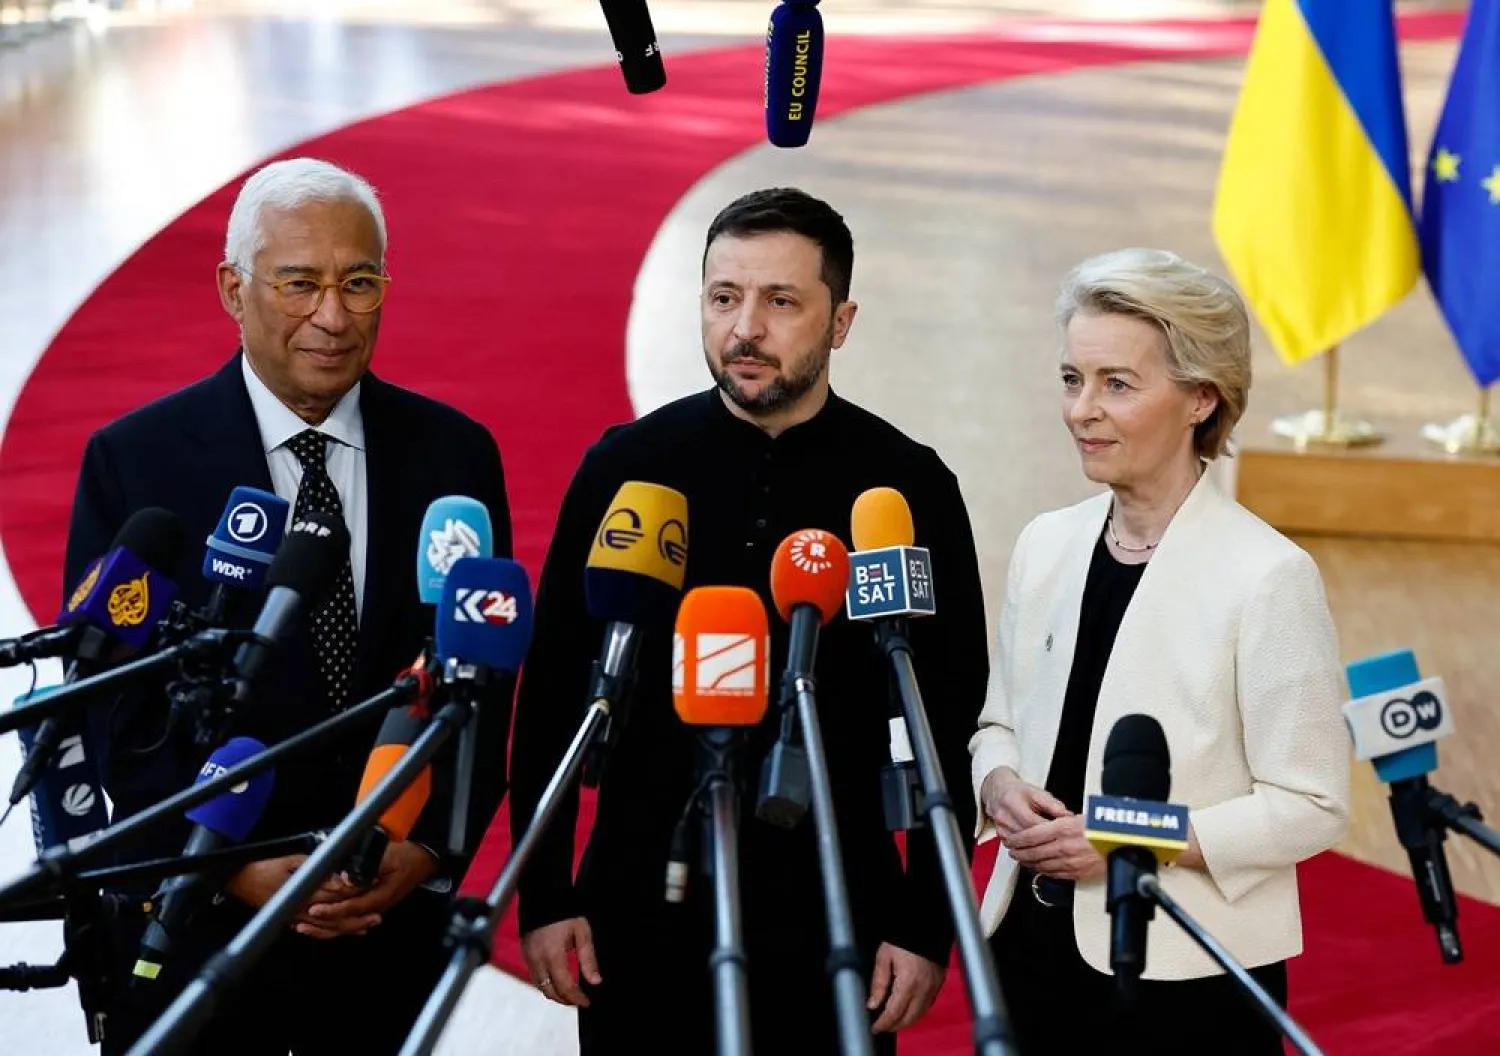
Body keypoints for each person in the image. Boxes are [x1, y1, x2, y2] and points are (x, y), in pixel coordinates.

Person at [507, 187, 991, 1054]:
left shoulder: (905, 486)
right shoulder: (628, 468)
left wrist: (924, 923)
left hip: (838, 905)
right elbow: (551, 695)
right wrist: (546, 897)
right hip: (639, 899)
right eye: (724, 297)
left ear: (840, 322)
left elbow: (945, 714)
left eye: (780, 302)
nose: (745, 329)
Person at [61, 157, 514, 1054]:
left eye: (360, 283)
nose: (334, 317)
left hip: (388, 933)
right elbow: (109, 703)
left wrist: (428, 849)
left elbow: (484, 676)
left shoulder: (455, 457)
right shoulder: (137, 463)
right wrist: (233, 866)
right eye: (299, 283)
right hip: (195, 926)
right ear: (234, 288)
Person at [968, 248, 1351, 1055]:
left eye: (1117, 383)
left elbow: (1311, 803)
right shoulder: (1046, 543)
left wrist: (1120, 835)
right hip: (1027, 952)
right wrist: (996, 783)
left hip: (1186, 978)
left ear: (1201, 397)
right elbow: (997, 722)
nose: (1081, 410)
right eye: (1072, 379)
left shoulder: (1270, 576)